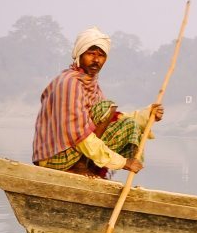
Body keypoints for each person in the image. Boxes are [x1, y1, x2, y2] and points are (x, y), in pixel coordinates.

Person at [32, 27, 164, 178]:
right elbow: (80, 135)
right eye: (91, 54)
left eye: (101, 55)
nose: (96, 60)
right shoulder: (69, 83)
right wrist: (122, 162)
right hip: (52, 158)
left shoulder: (91, 84)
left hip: (72, 152)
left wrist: (148, 115)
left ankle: (82, 165)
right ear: (79, 54)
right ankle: (79, 166)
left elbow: (114, 119)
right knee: (106, 108)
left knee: (128, 125)